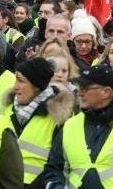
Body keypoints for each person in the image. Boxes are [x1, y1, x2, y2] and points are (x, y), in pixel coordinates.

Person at [8, 57, 75, 189]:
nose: (15, 86)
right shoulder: (7, 108)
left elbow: (60, 165)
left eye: (21, 81)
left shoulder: (58, 118)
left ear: (37, 86)